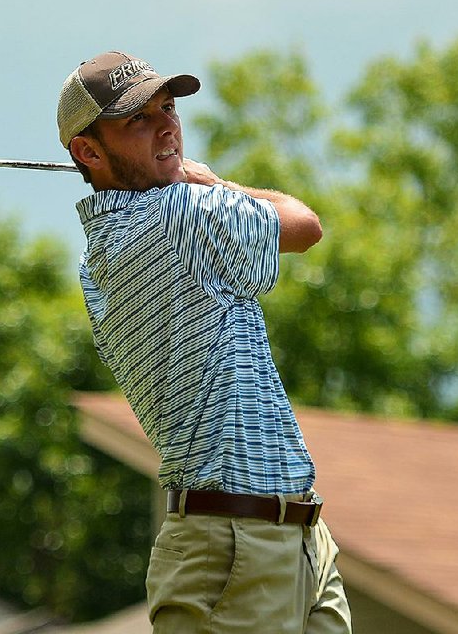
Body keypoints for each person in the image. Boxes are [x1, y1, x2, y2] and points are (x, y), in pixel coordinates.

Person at [57, 51, 352, 634]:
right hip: (234, 550)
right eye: (137, 119)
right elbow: (305, 225)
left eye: (167, 108)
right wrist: (219, 182)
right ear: (88, 152)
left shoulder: (109, 247)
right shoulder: (178, 215)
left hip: (296, 540)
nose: (167, 127)